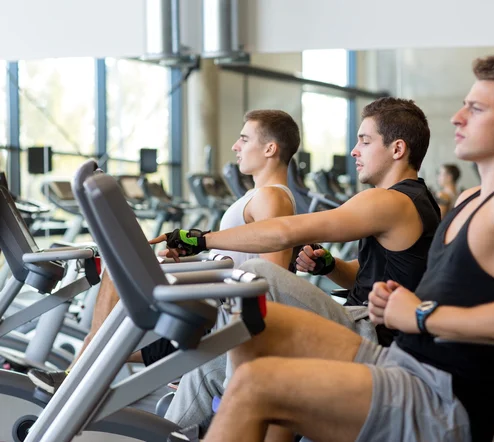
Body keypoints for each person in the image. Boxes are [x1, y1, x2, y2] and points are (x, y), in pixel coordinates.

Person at [197, 55, 494, 442]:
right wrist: (394, 299)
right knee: (259, 330)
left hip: (440, 396)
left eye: (475, 108)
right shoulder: (473, 198)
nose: (457, 118)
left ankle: (227, 406)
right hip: (404, 359)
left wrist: (420, 314)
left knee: (256, 374)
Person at [154, 97, 441, 429]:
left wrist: (199, 240)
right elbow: (367, 276)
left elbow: (284, 233)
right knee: (205, 364)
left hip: (374, 334)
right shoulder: (413, 199)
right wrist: (330, 265)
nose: (353, 151)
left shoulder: (390, 200)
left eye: (364, 140)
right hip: (363, 320)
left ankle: (247, 393)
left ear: (397, 149)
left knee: (257, 274)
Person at [27, 109, 300, 393]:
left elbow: (271, 279)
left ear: (270, 148)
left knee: (119, 273)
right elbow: (245, 258)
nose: (235, 146)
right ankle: (82, 369)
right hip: (216, 297)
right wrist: (194, 260)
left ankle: (79, 373)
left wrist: (203, 275)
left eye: (244, 139)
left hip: (223, 312)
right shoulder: (258, 195)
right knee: (118, 269)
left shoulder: (272, 197)